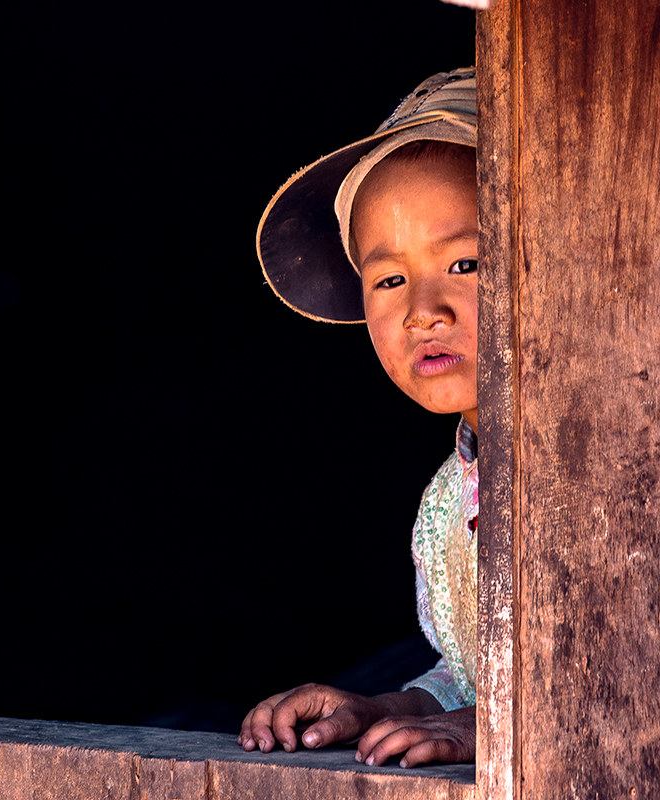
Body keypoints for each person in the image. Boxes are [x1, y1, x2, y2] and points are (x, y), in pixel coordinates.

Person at [239, 69, 480, 769]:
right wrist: (379, 708)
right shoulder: (444, 507)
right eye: (390, 279)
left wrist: (503, 731)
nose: (422, 311)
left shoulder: (630, 477)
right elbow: (473, 679)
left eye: (464, 262)